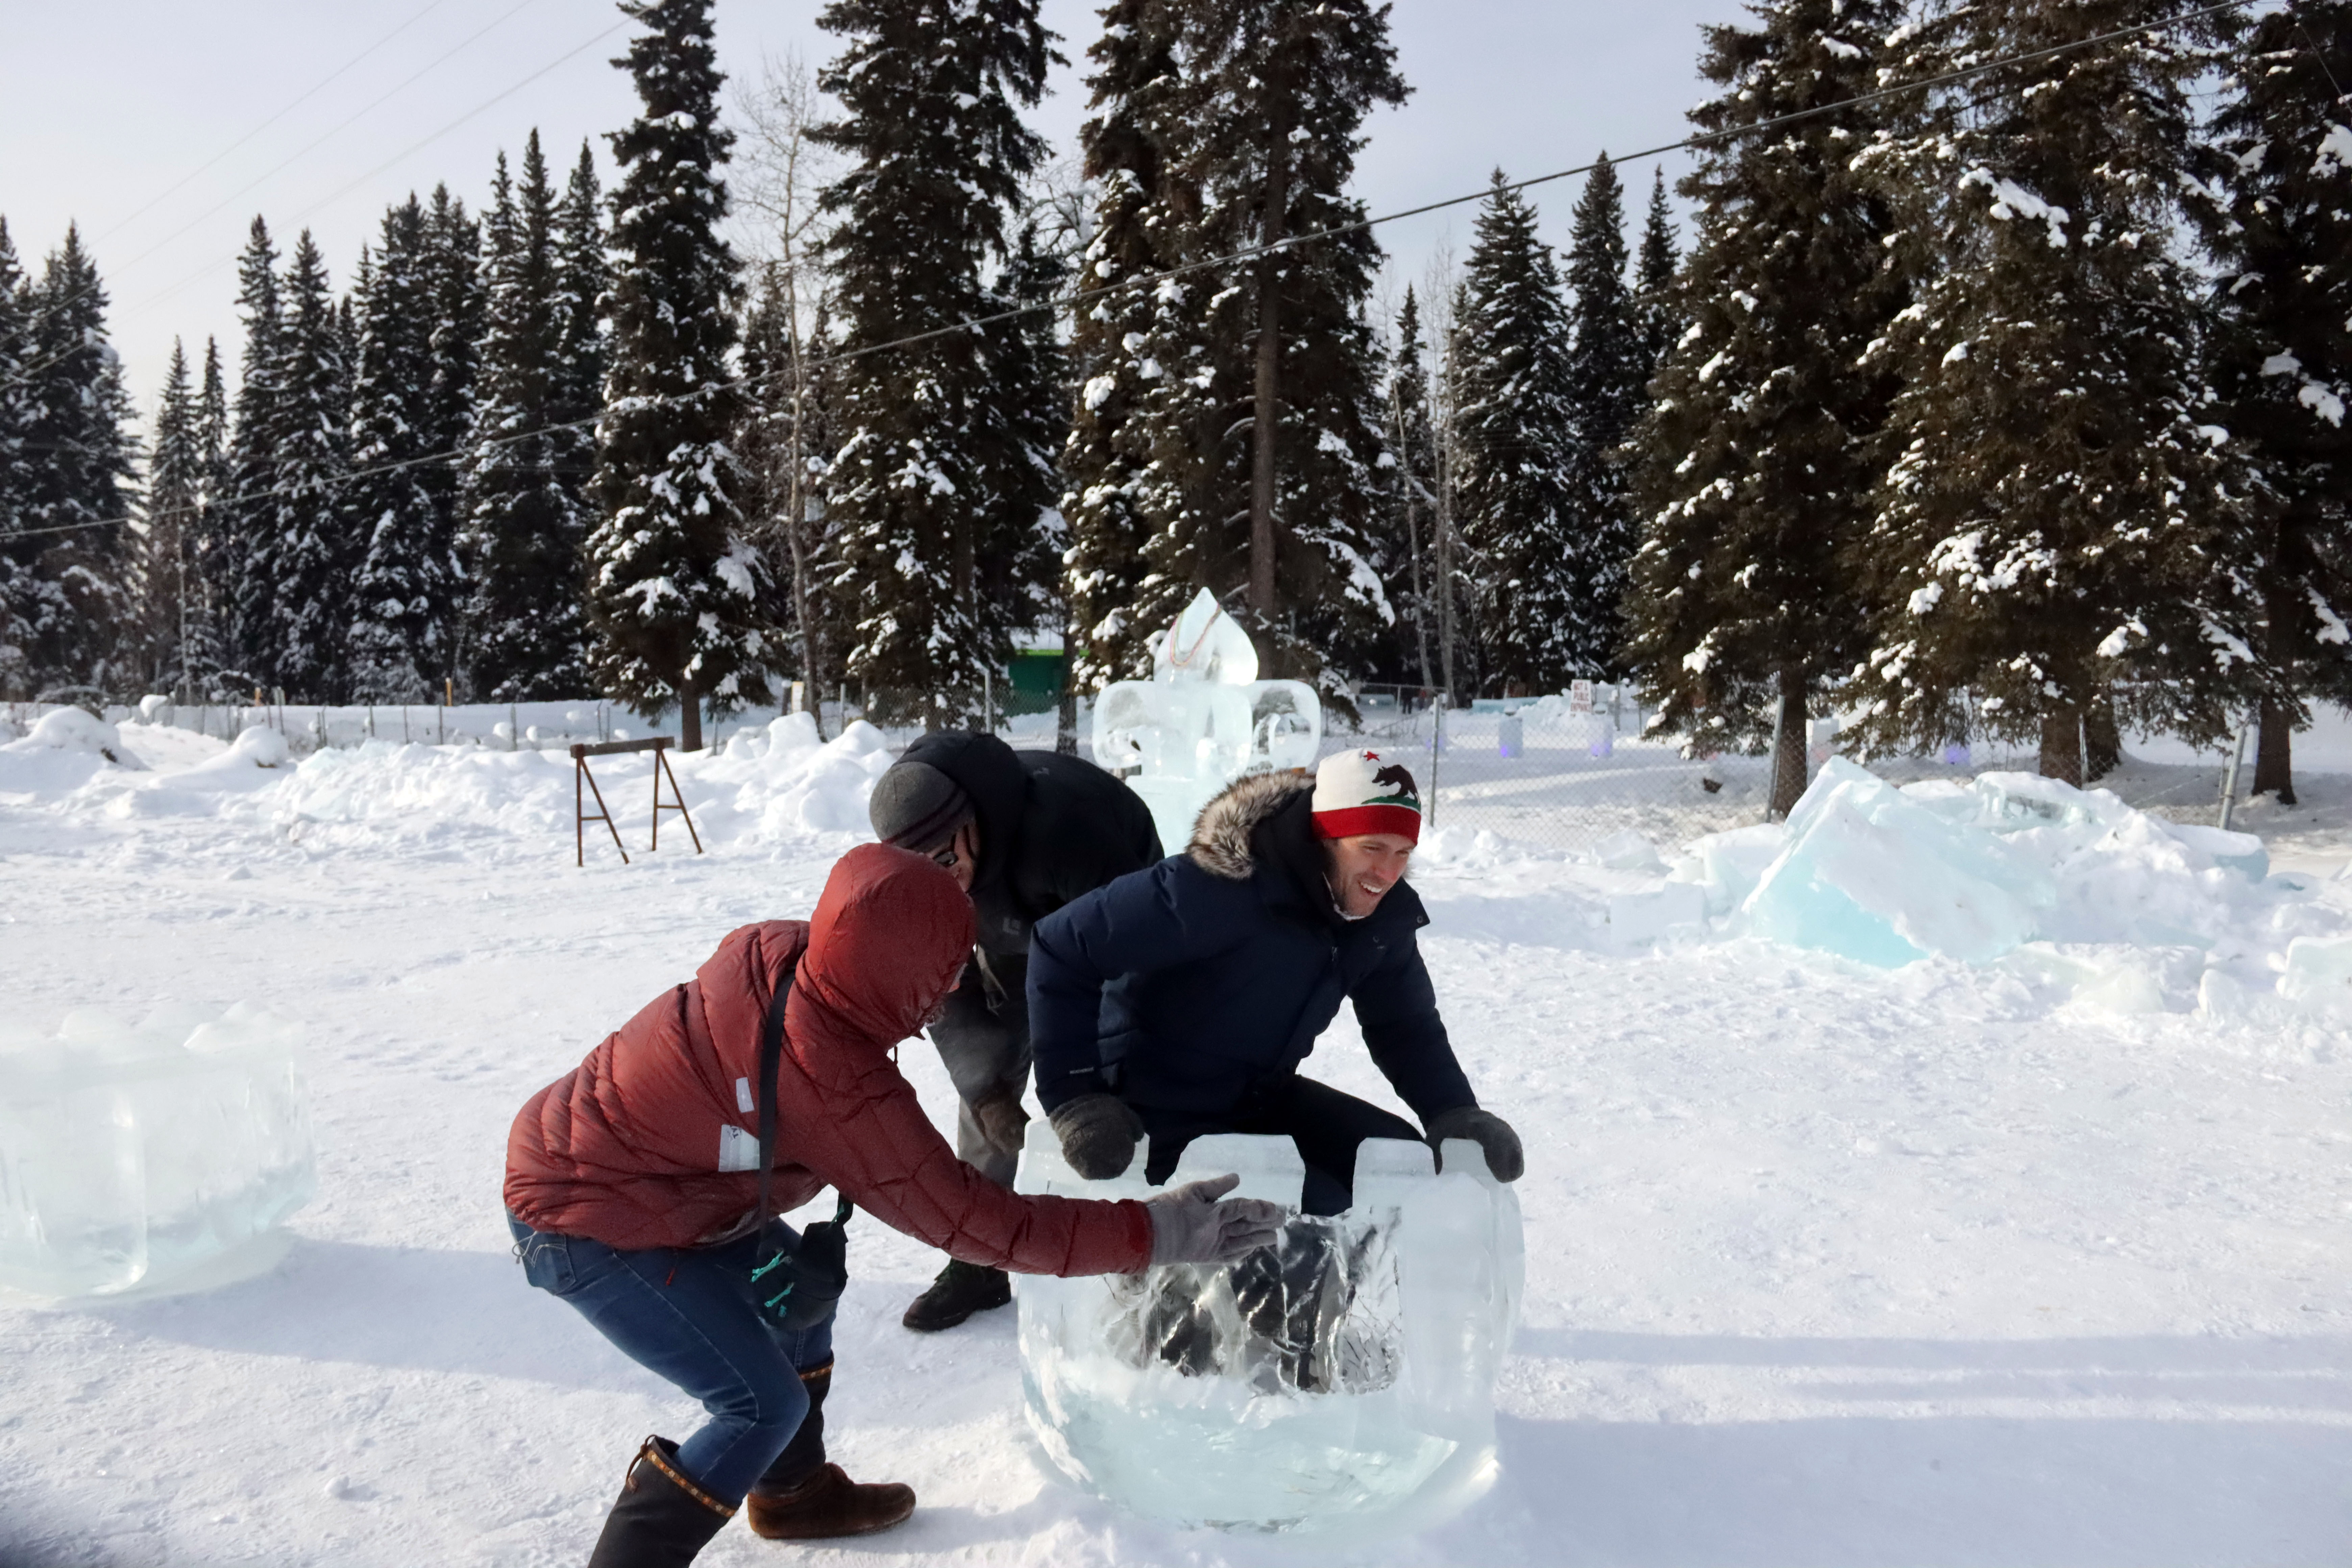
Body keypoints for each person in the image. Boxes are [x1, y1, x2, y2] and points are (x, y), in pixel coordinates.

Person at [504, 843, 1279, 1568]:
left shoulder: (788, 956)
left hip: (653, 1181)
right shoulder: (828, 1076)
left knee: (801, 1303)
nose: (953, 988)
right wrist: (1156, 1230)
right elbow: (980, 1224)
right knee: (757, 1403)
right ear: (894, 974)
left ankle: (793, 1495)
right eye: (944, 971)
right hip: (582, 1217)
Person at [1027, 749, 1525, 1213]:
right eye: (1372, 848)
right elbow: (1062, 944)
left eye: (1403, 853)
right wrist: (1076, 1099)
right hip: (1152, 1106)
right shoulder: (1216, 888)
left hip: (1258, 1098)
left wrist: (1453, 1111)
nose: (1387, 873)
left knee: (1403, 1168)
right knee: (1314, 1215)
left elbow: (1404, 1024)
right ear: (1326, 838)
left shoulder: (1376, 920)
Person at [864, 730, 1162, 1331]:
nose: (944, 881)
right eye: (923, 873)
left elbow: (1137, 969)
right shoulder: (918, 884)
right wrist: (986, 1094)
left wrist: (1084, 1094)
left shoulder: (1069, 830)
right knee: (987, 1095)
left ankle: (1149, 1248)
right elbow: (944, 994)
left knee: (1125, 1080)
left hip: (1106, 915)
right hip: (1007, 927)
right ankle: (979, 1262)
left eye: (947, 861)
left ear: (971, 824)